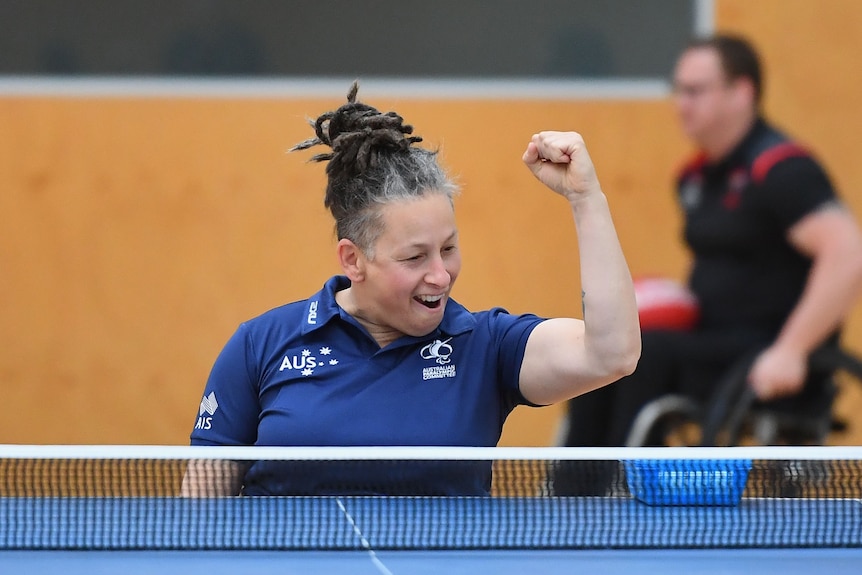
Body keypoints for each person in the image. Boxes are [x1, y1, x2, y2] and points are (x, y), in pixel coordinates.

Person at [181, 82, 641, 496]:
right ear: (353, 259)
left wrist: (586, 199)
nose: (440, 275)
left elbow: (612, 354)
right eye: (414, 257)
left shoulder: (485, 348)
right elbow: (197, 519)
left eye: (449, 248)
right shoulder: (260, 346)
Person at [561, 34, 862, 456]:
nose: (681, 103)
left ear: (742, 93)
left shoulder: (782, 170)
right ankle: (572, 499)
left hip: (761, 353)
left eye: (696, 91)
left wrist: (791, 351)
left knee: (646, 356)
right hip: (708, 343)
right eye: (678, 90)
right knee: (606, 348)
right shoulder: (695, 179)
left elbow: (848, 254)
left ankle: (616, 497)